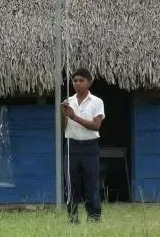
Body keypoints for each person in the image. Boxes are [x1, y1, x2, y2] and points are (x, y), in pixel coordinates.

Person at [61, 68, 106, 223]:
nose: (77, 83)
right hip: (71, 146)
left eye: (81, 80)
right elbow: (63, 127)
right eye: (75, 81)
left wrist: (74, 116)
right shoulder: (69, 101)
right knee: (71, 185)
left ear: (89, 82)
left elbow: (96, 126)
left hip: (90, 147)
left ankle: (94, 217)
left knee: (91, 184)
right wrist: (63, 114)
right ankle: (72, 218)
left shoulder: (97, 102)